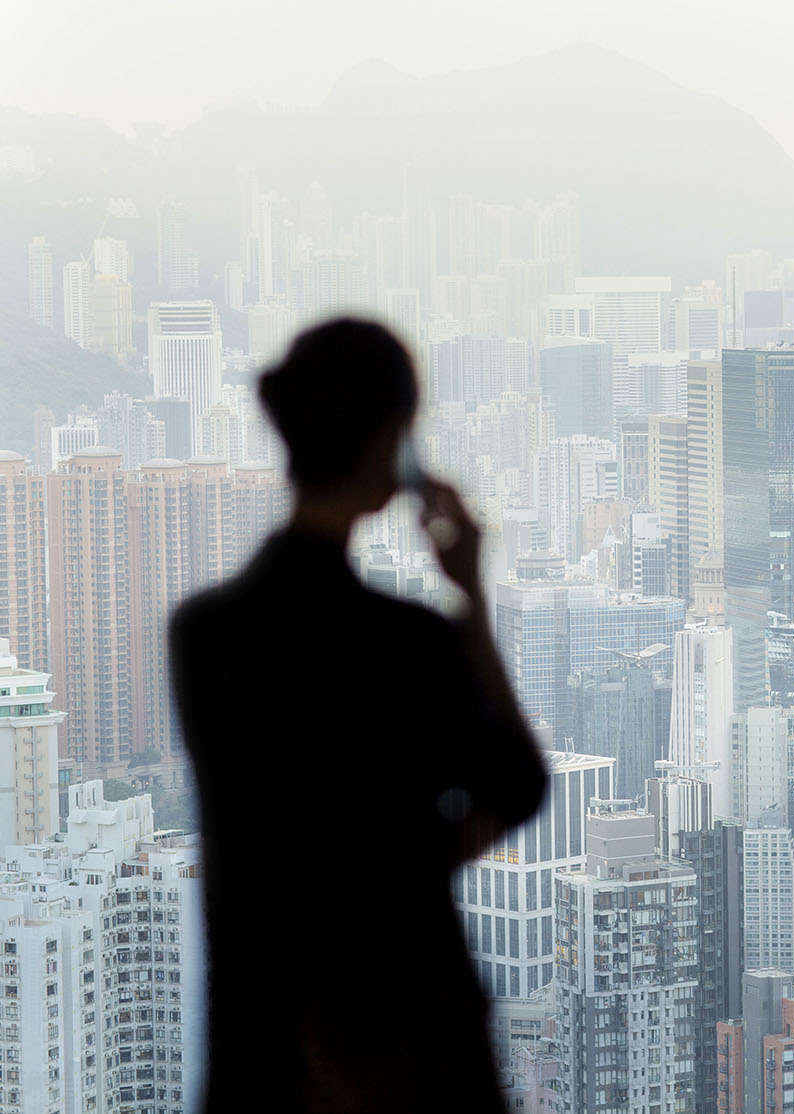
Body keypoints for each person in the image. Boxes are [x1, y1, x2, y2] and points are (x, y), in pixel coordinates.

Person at [171, 318, 547, 1114]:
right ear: (392, 447)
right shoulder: (410, 641)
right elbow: (517, 784)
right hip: (414, 1046)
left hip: (265, 1056)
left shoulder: (204, 635)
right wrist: (471, 598)